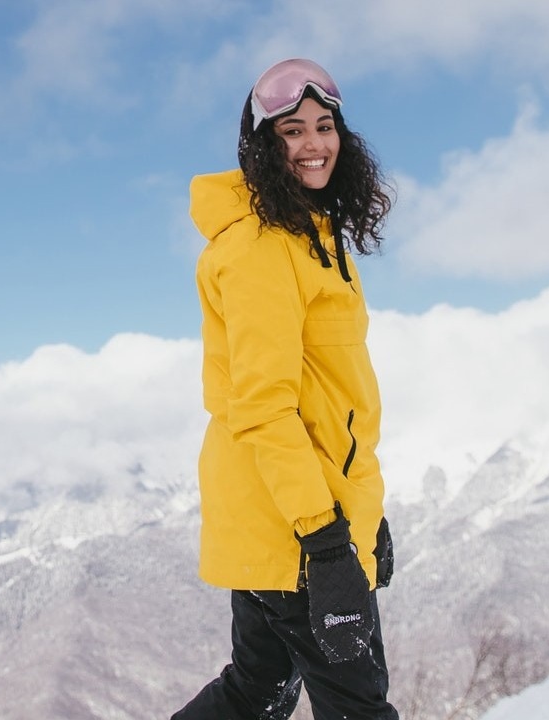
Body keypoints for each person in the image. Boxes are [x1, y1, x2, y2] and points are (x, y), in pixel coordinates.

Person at [172, 58, 398, 719]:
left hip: (293, 510)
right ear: (263, 146)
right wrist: (326, 543)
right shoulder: (263, 249)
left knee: (255, 691)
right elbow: (265, 406)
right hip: (292, 526)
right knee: (360, 708)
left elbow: (333, 398)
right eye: (291, 130)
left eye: (323, 126)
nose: (313, 144)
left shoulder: (315, 239)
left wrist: (366, 513)